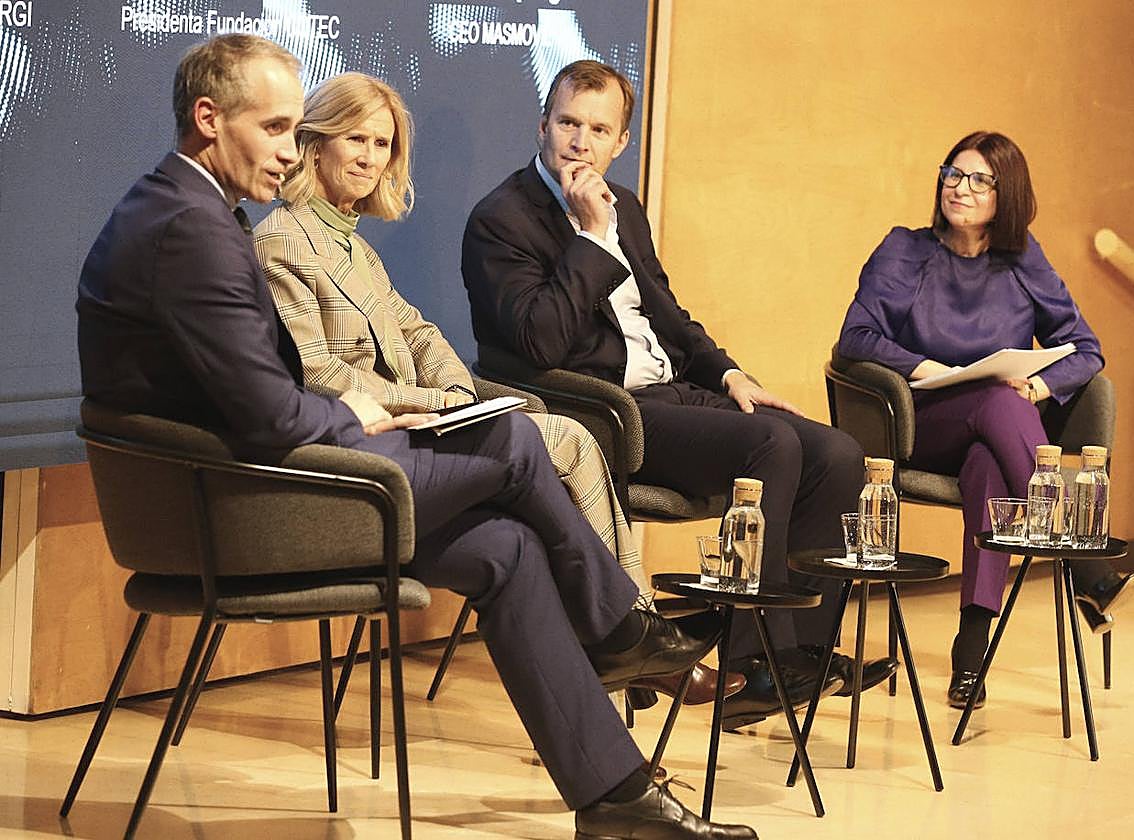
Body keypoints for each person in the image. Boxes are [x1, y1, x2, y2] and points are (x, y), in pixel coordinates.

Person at [75, 34, 756, 839]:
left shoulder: (187, 208)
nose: (292, 150)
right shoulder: (193, 228)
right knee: (513, 446)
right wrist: (359, 414)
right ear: (208, 118)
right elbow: (270, 414)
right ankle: (617, 628)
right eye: (278, 129)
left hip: (264, 478)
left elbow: (317, 370)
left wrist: (413, 404)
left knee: (505, 546)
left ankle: (615, 797)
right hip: (245, 509)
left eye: (298, 129)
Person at [252, 71, 742, 710]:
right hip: (369, 451)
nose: (371, 159)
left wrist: (459, 390)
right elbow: (328, 379)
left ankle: (629, 635)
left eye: (382, 144)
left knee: (563, 447)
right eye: (356, 140)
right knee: (565, 439)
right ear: (314, 145)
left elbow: (418, 332)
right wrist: (443, 405)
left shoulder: (351, 242)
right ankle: (631, 633)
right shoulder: (283, 240)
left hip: (421, 425)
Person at [461, 59, 897, 731]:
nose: (580, 141)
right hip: (604, 409)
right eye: (568, 123)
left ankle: (799, 653)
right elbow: (539, 344)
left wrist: (729, 375)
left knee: (838, 453)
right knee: (771, 446)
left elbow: (666, 311)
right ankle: (755, 665)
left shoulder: (623, 205)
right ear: (543, 124)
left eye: (597, 129)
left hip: (674, 391)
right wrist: (586, 239)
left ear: (620, 142)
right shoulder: (501, 218)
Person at [837, 130, 1134, 709]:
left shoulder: (1024, 260)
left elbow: (1085, 348)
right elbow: (855, 337)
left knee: (990, 469)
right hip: (920, 423)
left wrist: (1042, 384)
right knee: (1000, 402)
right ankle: (1081, 567)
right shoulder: (906, 250)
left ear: (1008, 196)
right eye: (953, 173)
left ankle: (970, 652)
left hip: (994, 439)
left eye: (980, 180)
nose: (961, 188)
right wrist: (929, 366)